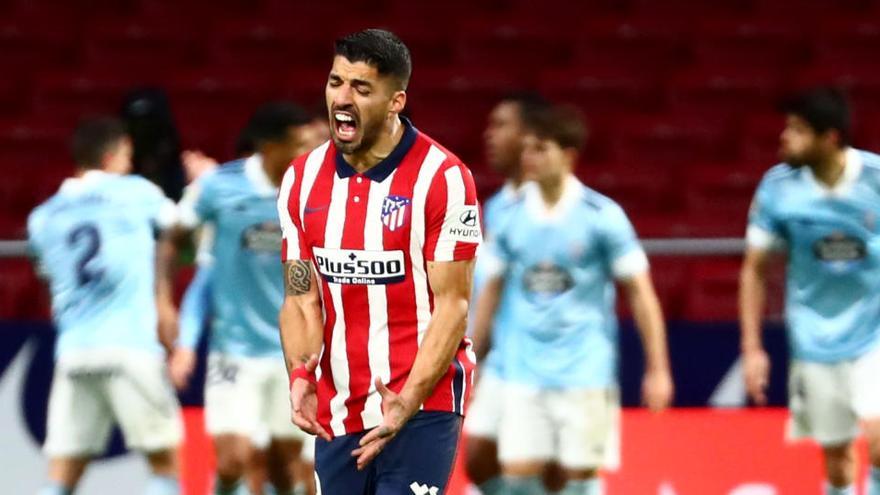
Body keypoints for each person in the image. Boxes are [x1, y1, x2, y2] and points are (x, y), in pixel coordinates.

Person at [277, 29, 482, 494]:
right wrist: (300, 373)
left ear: (396, 101)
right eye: (335, 82)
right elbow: (300, 296)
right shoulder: (301, 179)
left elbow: (453, 306)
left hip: (422, 402)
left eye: (361, 88)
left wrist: (407, 401)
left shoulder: (444, 179)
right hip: (341, 406)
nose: (342, 98)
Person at [473, 105, 673, 495]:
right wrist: (471, 358)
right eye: (527, 148)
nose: (529, 157)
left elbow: (641, 295)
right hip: (523, 371)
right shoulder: (509, 216)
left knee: (577, 480)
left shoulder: (602, 216)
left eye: (540, 149)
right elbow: (490, 293)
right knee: (517, 476)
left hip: (585, 372)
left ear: (568, 156)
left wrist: (658, 369)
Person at [168, 102, 320, 495]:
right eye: (300, 143)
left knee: (286, 468)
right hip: (233, 350)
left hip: (293, 354)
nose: (308, 152)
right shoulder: (219, 187)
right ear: (269, 146)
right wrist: (165, 307)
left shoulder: (311, 194)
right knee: (234, 459)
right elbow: (177, 241)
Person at [28, 116, 182, 495]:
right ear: (112, 155)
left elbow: (48, 277)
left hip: (74, 351)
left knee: (64, 471)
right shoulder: (136, 192)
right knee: (164, 462)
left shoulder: (43, 217)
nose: (129, 164)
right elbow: (179, 225)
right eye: (127, 155)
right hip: (130, 347)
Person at [740, 87, 880, 495]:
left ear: (830, 138)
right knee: (836, 457)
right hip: (814, 341)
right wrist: (752, 348)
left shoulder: (876, 180)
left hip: (874, 334)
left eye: (798, 130)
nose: (785, 137)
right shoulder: (777, 188)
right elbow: (755, 269)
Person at [464, 92, 556, 495]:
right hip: (501, 358)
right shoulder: (498, 207)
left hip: (544, 362)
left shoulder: (553, 206)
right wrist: (476, 355)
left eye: (501, 125)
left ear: (528, 136)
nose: (489, 135)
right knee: (479, 460)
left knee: (540, 468)